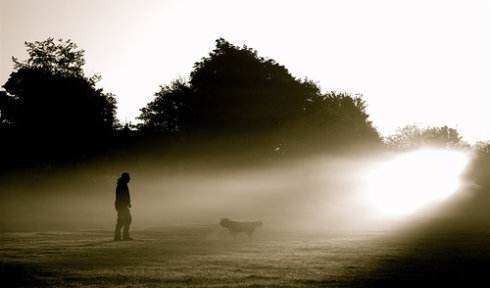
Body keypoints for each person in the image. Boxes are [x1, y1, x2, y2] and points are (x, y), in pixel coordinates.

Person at [114, 172, 132, 241]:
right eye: (128, 178)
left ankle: (120, 236)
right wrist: (125, 203)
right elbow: (121, 196)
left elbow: (124, 195)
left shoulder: (122, 184)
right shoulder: (122, 185)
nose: (129, 179)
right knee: (125, 220)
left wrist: (128, 203)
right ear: (125, 178)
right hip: (121, 205)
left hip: (122, 205)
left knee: (124, 220)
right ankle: (121, 236)